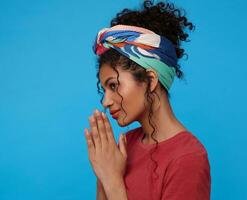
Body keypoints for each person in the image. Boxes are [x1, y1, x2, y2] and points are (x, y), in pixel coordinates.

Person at [84, 1, 211, 199]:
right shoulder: (126, 144)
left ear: (150, 80)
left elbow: (113, 184)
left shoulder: (188, 158)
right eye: (104, 89)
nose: (105, 102)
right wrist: (103, 175)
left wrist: (113, 181)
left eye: (113, 85)